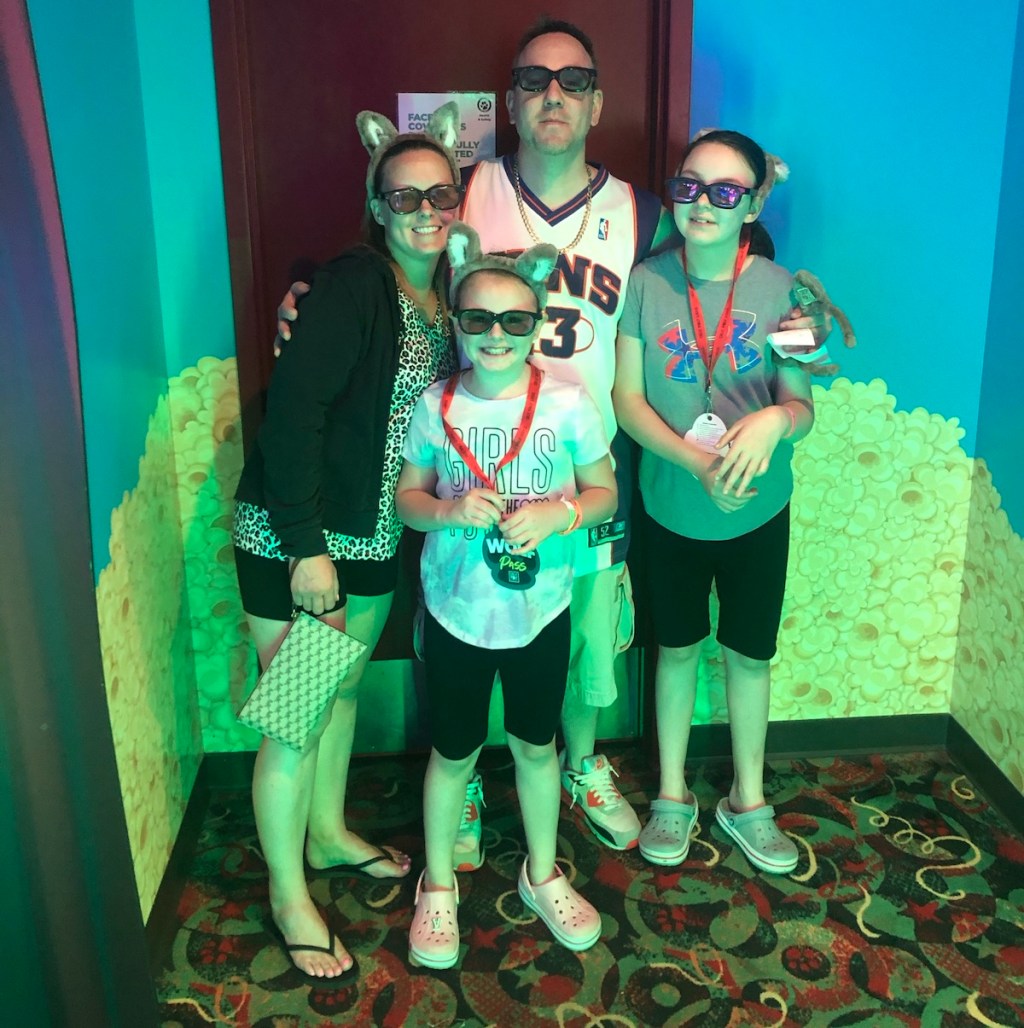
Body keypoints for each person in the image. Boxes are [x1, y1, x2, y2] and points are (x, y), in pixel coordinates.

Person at [274, 19, 825, 861]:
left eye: (573, 81)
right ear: (510, 101)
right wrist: (304, 291)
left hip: (555, 481)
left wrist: (798, 304)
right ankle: (324, 855)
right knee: (363, 676)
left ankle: (561, 766)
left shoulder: (642, 213)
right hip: (370, 514)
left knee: (569, 646)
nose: (554, 95)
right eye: (534, 81)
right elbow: (377, 268)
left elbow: (728, 261)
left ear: (598, 101)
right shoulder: (464, 192)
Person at [231, 103, 463, 983]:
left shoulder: (439, 295)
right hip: (304, 542)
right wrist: (302, 547)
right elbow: (294, 413)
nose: (424, 209)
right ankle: (289, 895)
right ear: (377, 202)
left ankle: (325, 836)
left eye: (439, 192)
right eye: (403, 195)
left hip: (370, 540)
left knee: (337, 698)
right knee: (294, 719)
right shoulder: (357, 283)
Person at [395, 221, 618, 968]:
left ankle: (542, 872)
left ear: (538, 325)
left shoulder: (567, 401)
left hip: (540, 609)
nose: (496, 335)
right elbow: (407, 500)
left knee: (535, 744)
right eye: (478, 319)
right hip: (457, 610)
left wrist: (564, 512)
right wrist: (448, 512)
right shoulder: (436, 405)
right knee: (452, 753)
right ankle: (436, 884)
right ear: (456, 321)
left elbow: (605, 491)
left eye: (515, 320)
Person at [613, 130, 815, 874]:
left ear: (754, 202)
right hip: (670, 503)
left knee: (749, 655)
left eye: (726, 192)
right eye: (691, 186)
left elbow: (801, 405)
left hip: (759, 509)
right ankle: (671, 793)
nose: (703, 203)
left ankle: (748, 801)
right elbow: (628, 401)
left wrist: (773, 419)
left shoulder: (782, 287)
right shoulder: (646, 282)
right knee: (675, 649)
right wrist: (694, 462)